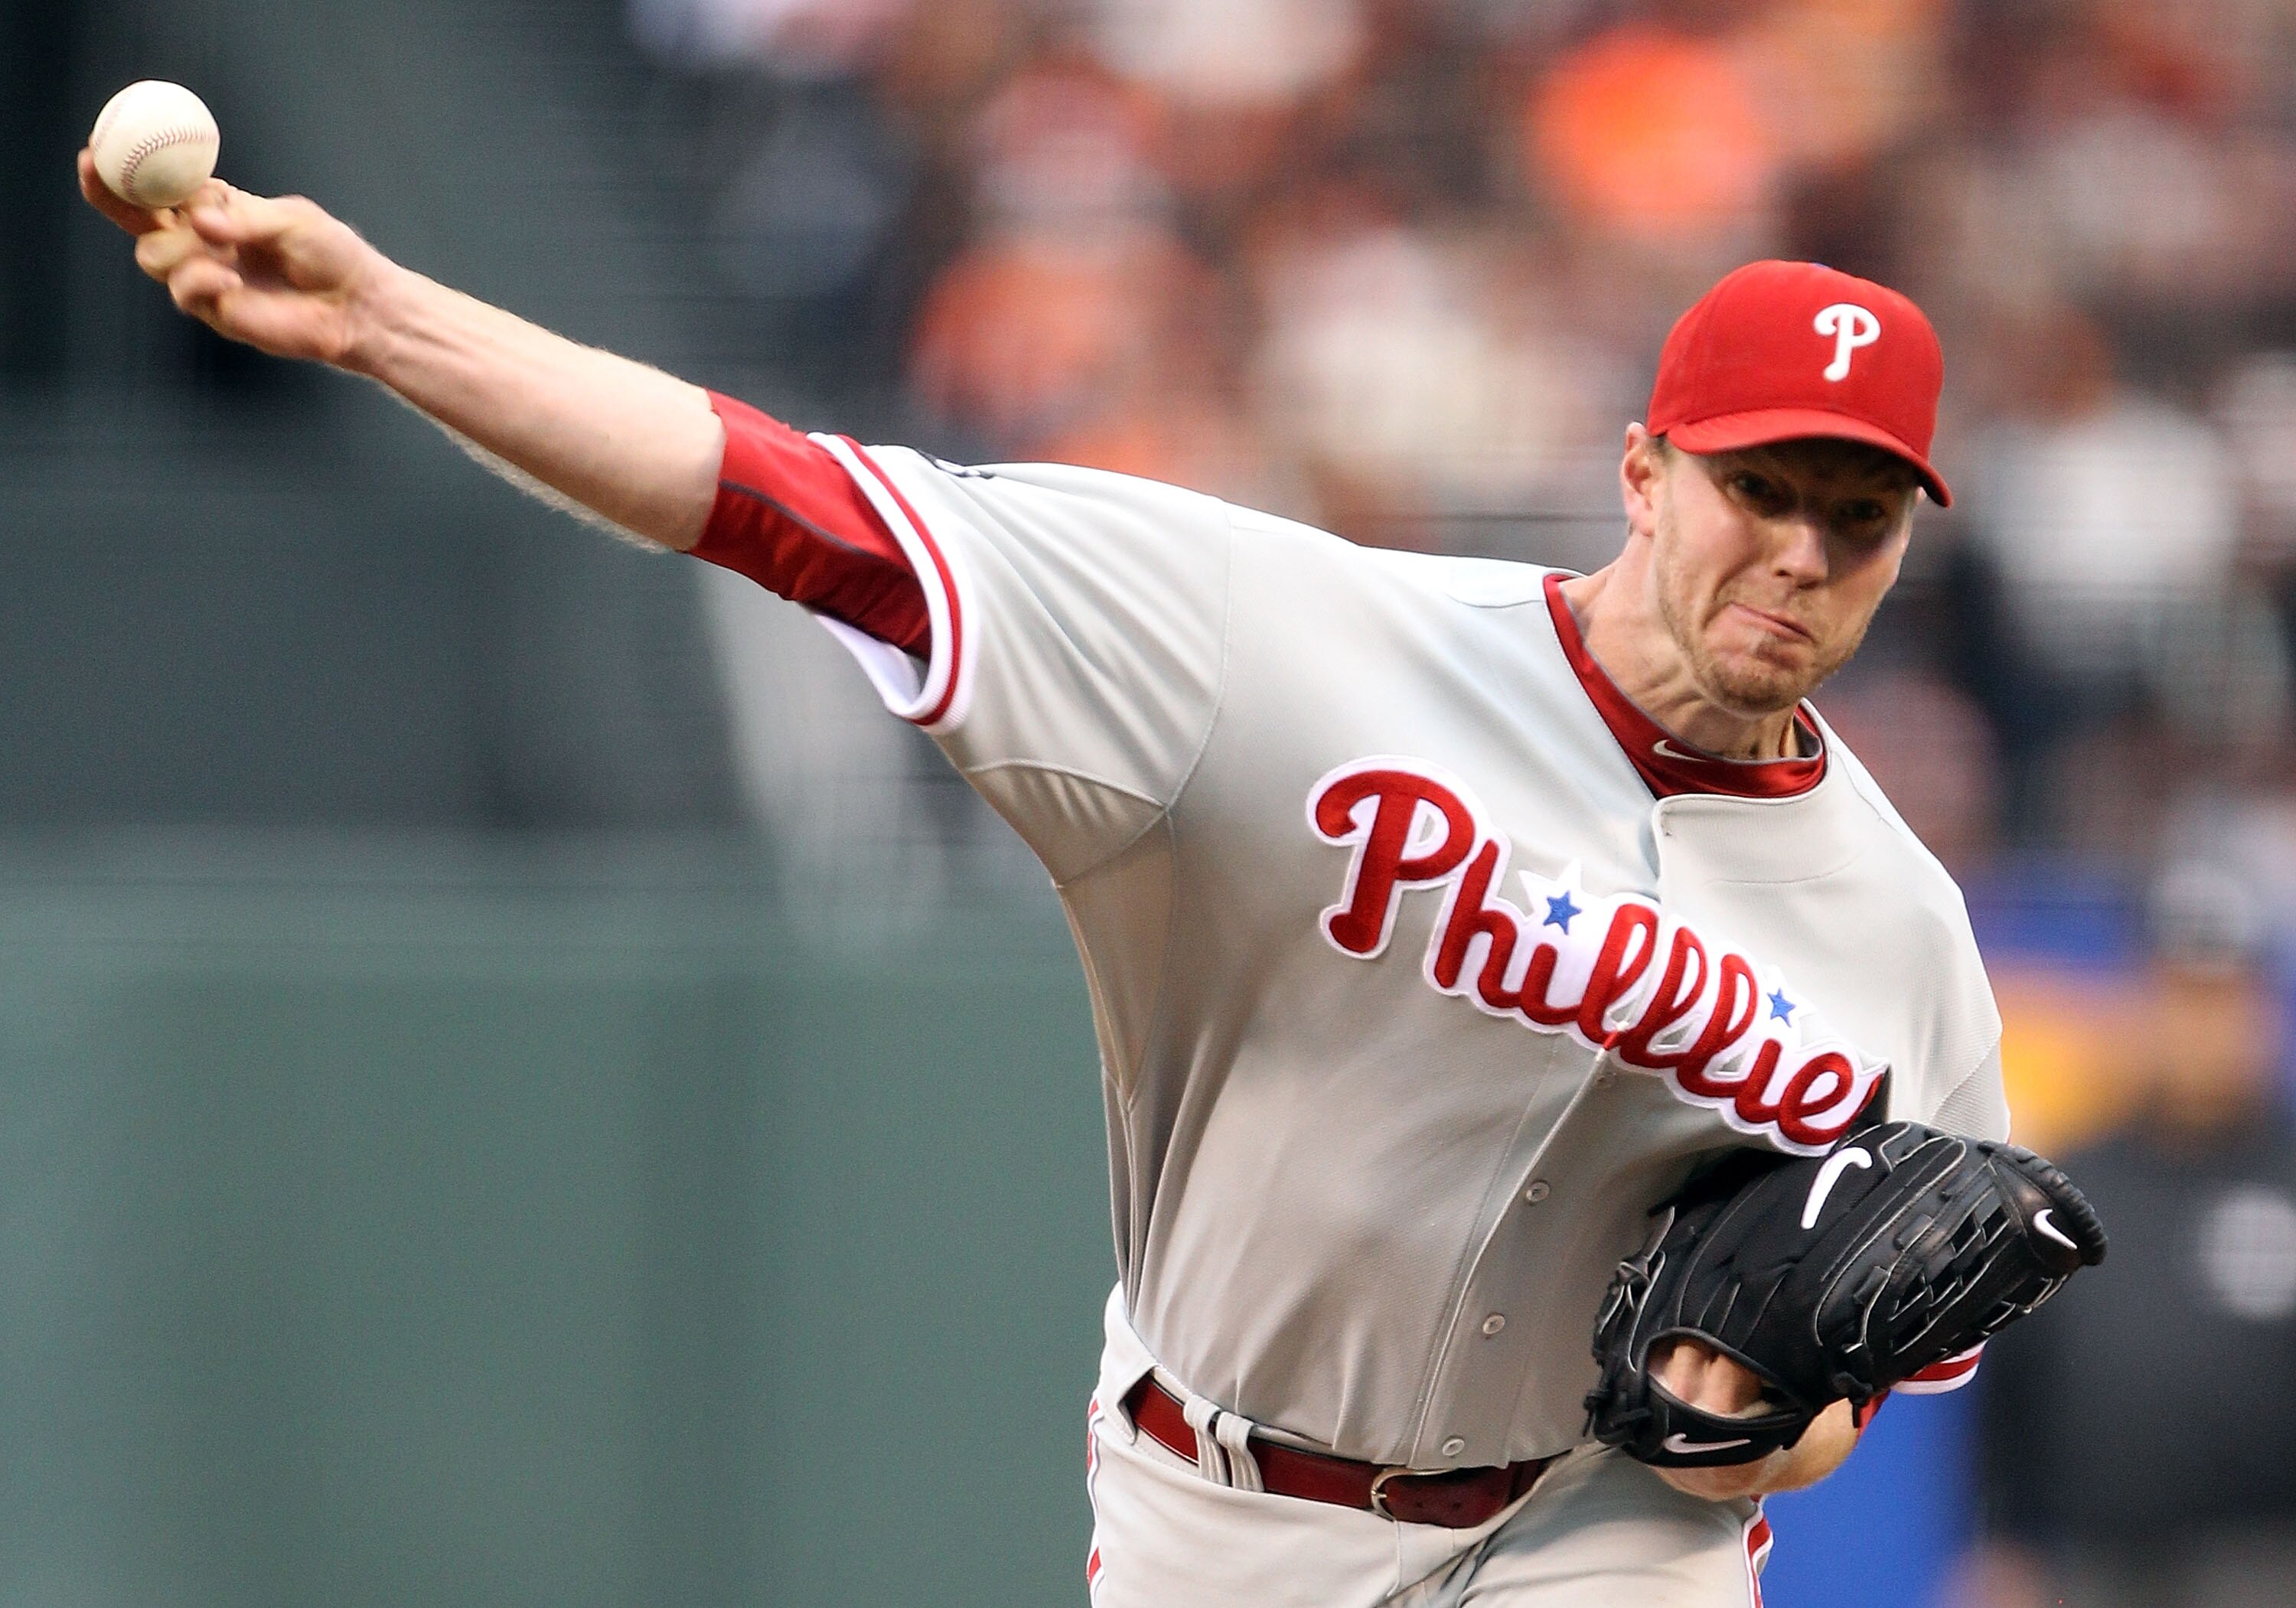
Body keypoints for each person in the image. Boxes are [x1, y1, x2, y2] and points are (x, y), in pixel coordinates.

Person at [83, 153, 2009, 1606]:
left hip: (1594, 1539)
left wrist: (1775, 1410)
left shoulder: (1896, 929)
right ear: (1643, 470)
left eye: (1853, 518)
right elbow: (789, 510)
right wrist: (384, 320)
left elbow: (1888, 1357)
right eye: (1758, 487)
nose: (1799, 552)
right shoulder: (1295, 649)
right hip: (1224, 1508)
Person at [1968, 864, 2296, 1608]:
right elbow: (2010, 1382)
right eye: (2180, 995)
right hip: (2090, 1568)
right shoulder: (2067, 1184)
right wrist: (2000, 1544)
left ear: (2264, 1010)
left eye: (2222, 998)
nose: (2201, 1028)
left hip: (2270, 1564)